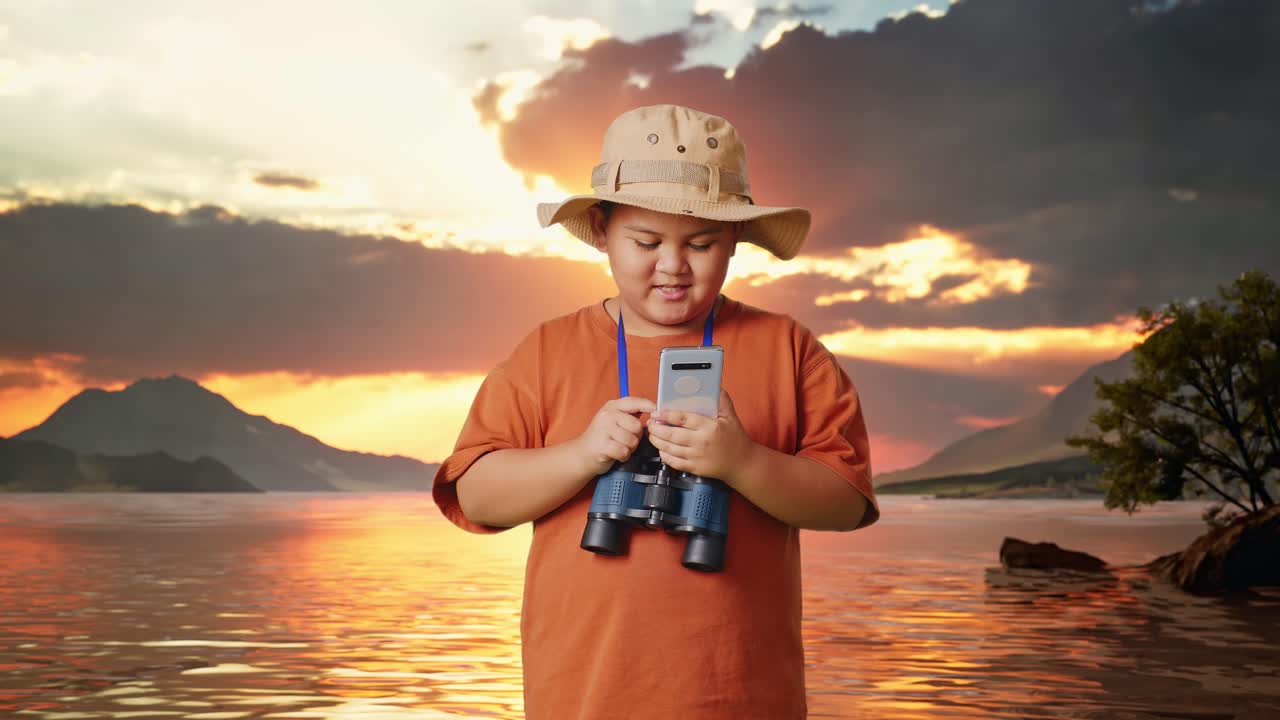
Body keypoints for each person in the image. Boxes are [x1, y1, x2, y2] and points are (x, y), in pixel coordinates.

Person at [432, 104, 880, 720]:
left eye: (702, 244)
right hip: (584, 696)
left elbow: (847, 499)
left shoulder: (788, 347)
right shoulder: (547, 351)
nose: (673, 265)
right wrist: (582, 456)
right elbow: (476, 498)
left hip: (743, 697)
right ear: (602, 229)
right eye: (646, 241)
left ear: (736, 242)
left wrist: (743, 464)